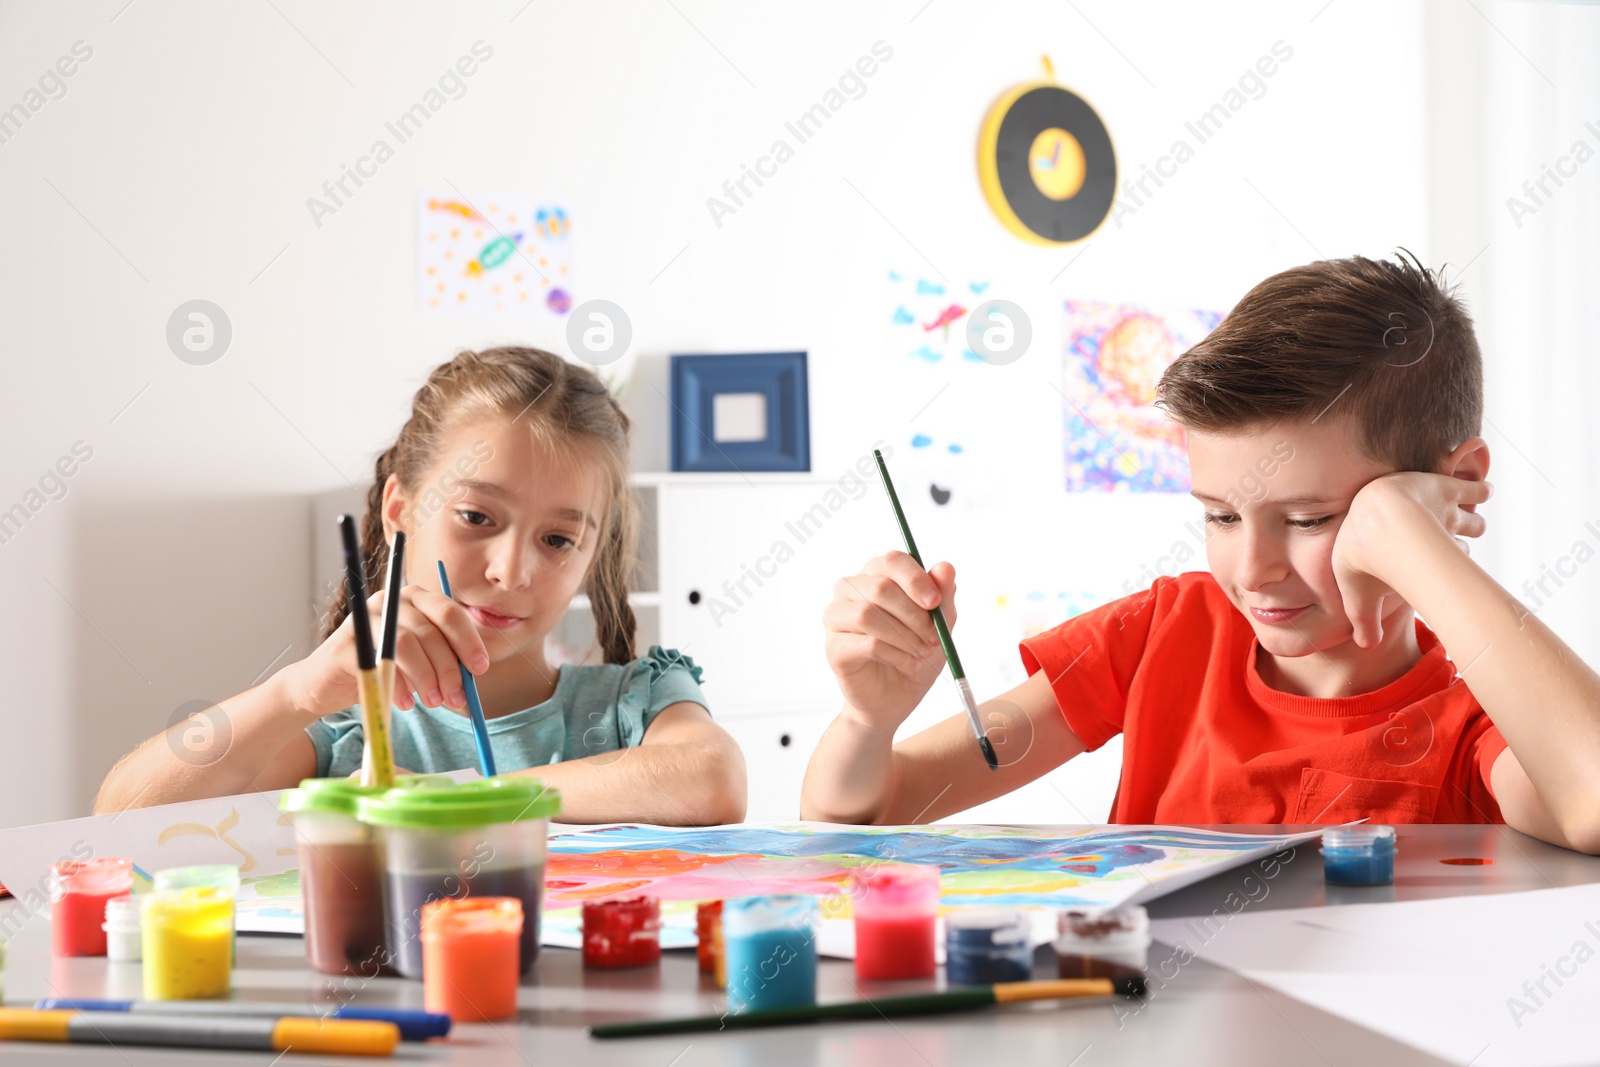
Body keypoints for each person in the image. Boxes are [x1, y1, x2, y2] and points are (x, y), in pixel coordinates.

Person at [802, 253, 1600, 853]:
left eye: (1312, 518)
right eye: (1219, 515)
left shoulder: (1472, 728)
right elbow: (864, 814)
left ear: (1451, 487)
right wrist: (868, 720)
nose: (1252, 571)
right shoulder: (1162, 634)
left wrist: (1416, 540)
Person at [97, 346, 746, 825]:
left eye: (557, 539)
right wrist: (294, 692)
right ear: (400, 512)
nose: (510, 571)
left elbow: (711, 777)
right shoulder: (349, 730)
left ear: (591, 555)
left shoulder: (635, 701)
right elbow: (119, 820)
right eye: (476, 517)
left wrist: (454, 801)